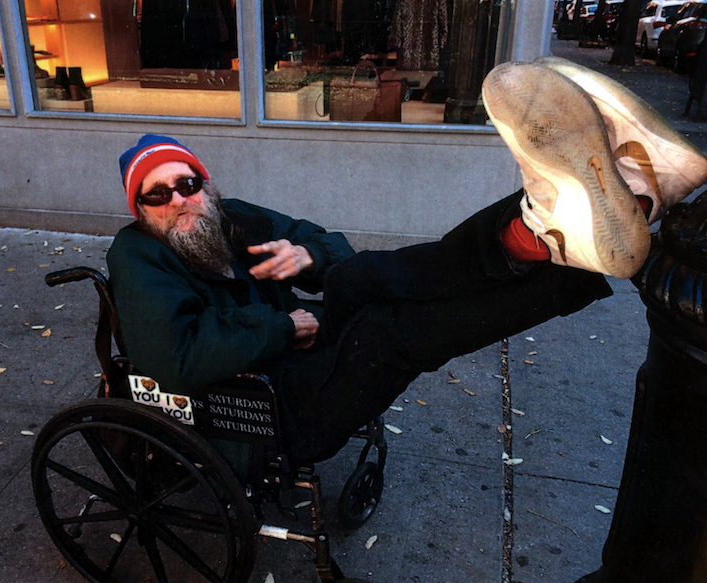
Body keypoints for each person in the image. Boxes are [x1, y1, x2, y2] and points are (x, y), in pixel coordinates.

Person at [106, 58, 707, 462]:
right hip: (258, 409)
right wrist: (281, 325)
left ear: (204, 184)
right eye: (157, 195)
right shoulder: (137, 257)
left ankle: (555, 224)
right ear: (140, 208)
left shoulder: (228, 216)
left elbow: (331, 247)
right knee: (386, 334)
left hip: (294, 352)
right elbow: (172, 360)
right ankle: (577, 235)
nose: (178, 201)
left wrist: (308, 255)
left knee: (360, 275)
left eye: (187, 183)